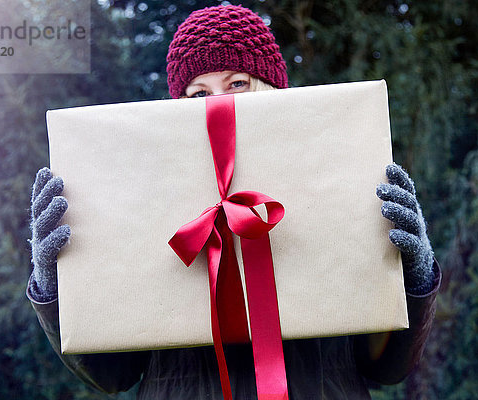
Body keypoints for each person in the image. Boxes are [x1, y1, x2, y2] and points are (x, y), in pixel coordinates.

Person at [27, 5, 441, 399]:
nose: (217, 103)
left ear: (272, 90)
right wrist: (57, 284)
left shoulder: (337, 174)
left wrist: (413, 273)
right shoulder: (137, 201)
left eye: (237, 83)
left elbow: (387, 367)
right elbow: (112, 376)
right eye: (198, 93)